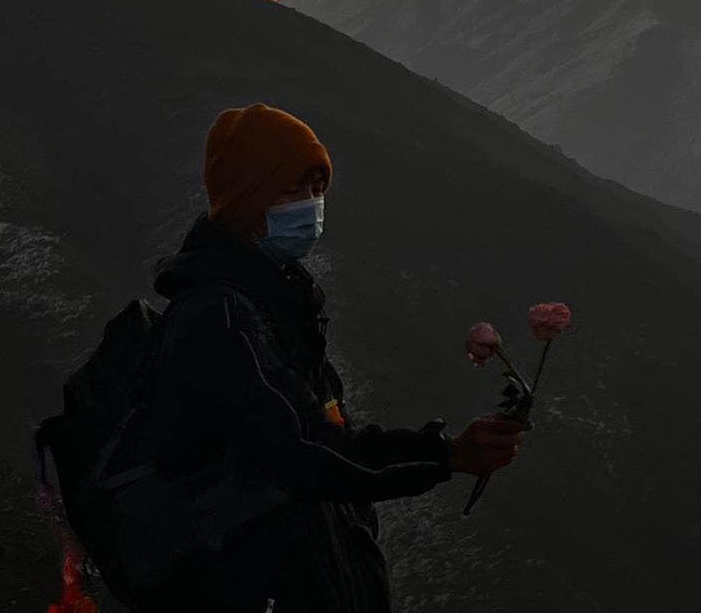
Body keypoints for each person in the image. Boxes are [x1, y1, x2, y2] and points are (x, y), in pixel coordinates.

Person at [141, 102, 527, 612]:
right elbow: (307, 451)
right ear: (248, 197)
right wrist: (447, 456)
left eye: (319, 188)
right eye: (293, 188)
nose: (312, 204)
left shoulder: (275, 305)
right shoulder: (222, 320)